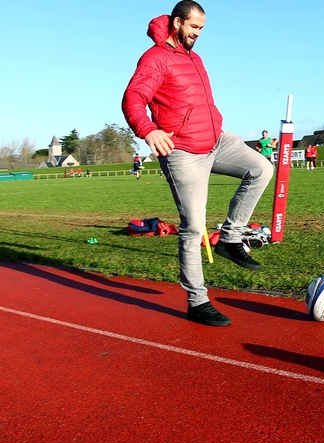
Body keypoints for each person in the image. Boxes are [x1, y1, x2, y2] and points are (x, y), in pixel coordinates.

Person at [122, 0, 273, 327]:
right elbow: (133, 97)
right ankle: (197, 300)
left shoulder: (195, 57)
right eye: (194, 27)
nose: (198, 34)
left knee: (262, 168)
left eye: (201, 28)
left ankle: (231, 239)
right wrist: (148, 130)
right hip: (184, 152)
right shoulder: (156, 58)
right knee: (193, 227)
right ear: (177, 23)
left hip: (216, 141)